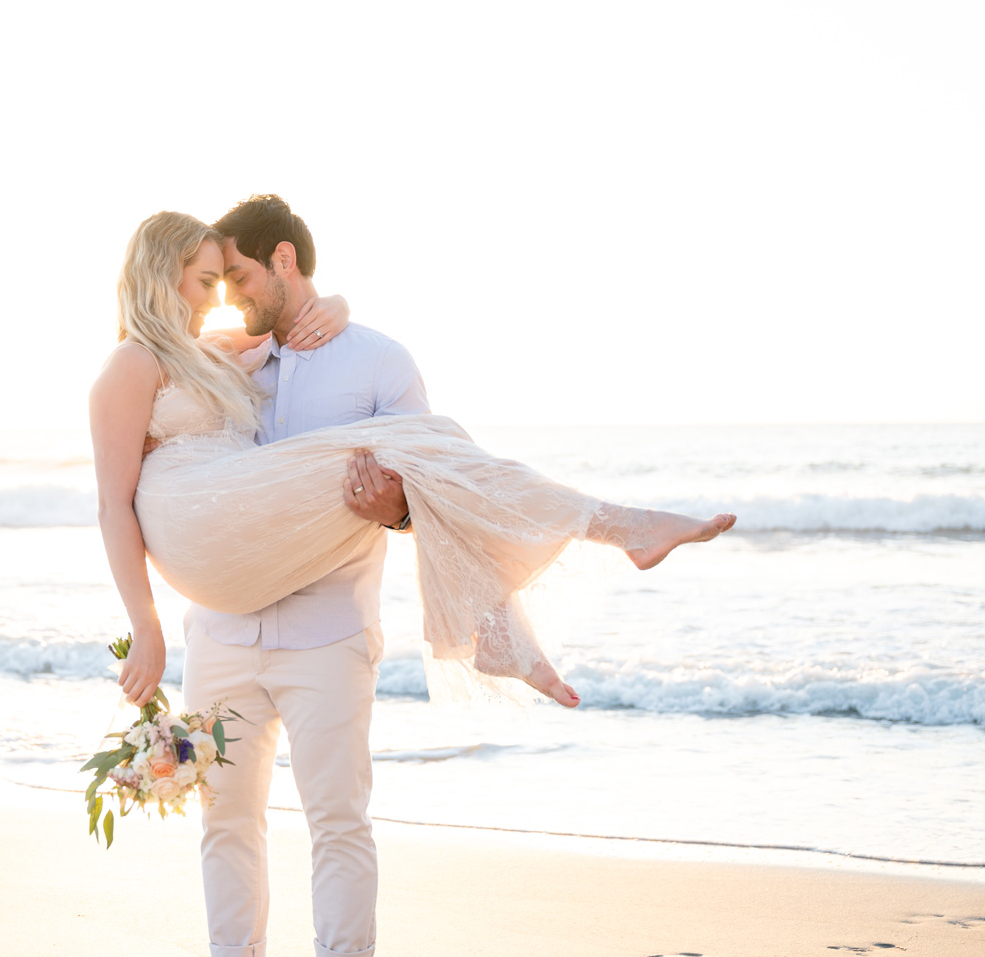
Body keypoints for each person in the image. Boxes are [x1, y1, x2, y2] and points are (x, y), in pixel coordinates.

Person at [88, 196, 735, 957]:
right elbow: (114, 495)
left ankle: (567, 570)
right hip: (223, 628)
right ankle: (599, 544)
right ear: (167, 277)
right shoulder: (222, 352)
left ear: (284, 264)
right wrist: (149, 627)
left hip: (325, 631)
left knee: (339, 818)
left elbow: (429, 504)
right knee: (226, 821)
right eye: (207, 279)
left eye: (231, 276)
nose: (222, 294)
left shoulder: (371, 358)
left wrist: (392, 506)